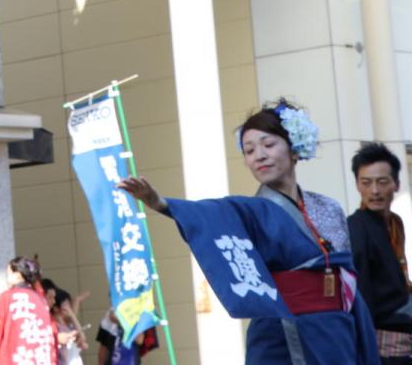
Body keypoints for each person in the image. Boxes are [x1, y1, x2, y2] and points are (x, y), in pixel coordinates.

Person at [119, 99, 379, 364]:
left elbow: (346, 272)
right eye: (249, 150)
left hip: (338, 328)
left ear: (293, 148)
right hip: (283, 331)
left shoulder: (328, 207)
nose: (259, 156)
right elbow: (212, 213)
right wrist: (161, 203)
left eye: (268, 144)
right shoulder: (249, 210)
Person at [349, 142, 412, 364]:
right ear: (357, 185)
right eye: (366, 183)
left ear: (396, 184)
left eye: (382, 182)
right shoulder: (356, 227)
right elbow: (361, 292)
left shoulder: (395, 222)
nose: (374, 191)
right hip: (382, 348)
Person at [0, 257, 57, 365]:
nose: (7, 278)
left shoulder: (8, 297)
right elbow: (51, 333)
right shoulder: (41, 301)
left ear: (18, 274)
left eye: (9, 273)